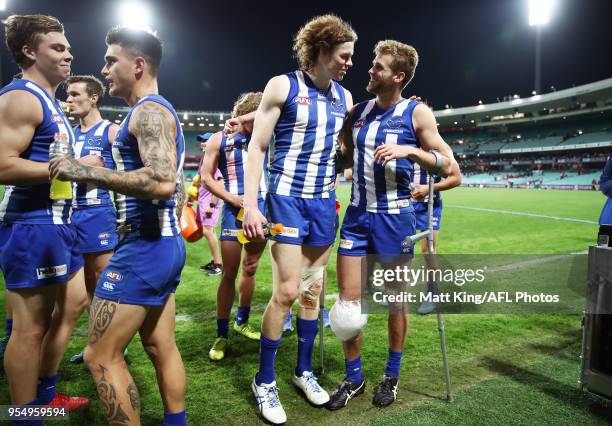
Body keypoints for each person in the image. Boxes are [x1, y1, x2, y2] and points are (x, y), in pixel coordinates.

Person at [50, 26, 187, 425]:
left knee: (100, 356)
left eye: (112, 60)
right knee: (161, 347)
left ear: (138, 64)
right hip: (163, 244)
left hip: (143, 249)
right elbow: (173, 186)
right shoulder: (151, 110)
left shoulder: (148, 110)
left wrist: (84, 173)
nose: (104, 68)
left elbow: (162, 183)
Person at [239, 14, 356, 424]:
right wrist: (250, 204)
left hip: (323, 204)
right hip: (286, 200)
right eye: (344, 55)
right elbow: (257, 148)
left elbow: (345, 148)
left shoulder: (344, 98)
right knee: (287, 291)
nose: (348, 63)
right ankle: (264, 380)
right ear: (322, 50)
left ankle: (303, 371)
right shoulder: (282, 86)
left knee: (312, 292)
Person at [326, 40, 455, 410]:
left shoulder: (417, 114)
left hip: (396, 220)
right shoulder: (358, 112)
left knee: (395, 304)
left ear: (398, 76)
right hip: (356, 217)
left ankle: (391, 376)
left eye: (378, 67)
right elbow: (345, 151)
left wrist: (411, 151)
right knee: (349, 306)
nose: (370, 70)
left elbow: (447, 165)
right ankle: (354, 378)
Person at [0, 14, 92, 412]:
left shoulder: (51, 103)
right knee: (29, 330)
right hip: (33, 225)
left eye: (68, 47)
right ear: (28, 51)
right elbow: (3, 164)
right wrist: (71, 167)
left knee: (72, 305)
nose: (68, 55)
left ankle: (45, 393)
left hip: (59, 225)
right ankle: (26, 417)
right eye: (57, 47)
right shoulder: (21, 97)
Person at [202, 92, 266, 361]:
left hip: (262, 209)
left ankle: (242, 321)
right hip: (233, 209)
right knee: (229, 271)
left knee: (250, 268)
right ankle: (222, 333)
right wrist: (233, 199)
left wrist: (247, 118)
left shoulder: (266, 135)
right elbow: (206, 177)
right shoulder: (220, 138)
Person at [64, 75, 121, 363]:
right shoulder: (68, 134)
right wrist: (83, 164)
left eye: (75, 94)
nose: (69, 100)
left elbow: (126, 176)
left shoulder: (111, 132)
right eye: (68, 95)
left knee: (102, 283)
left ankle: (109, 348)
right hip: (69, 215)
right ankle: (93, 346)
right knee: (83, 288)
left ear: (94, 97)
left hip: (98, 214)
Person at [412, 161, 461, 315]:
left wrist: (429, 189)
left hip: (430, 205)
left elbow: (456, 178)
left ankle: (432, 294)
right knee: (402, 248)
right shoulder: (405, 142)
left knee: (428, 251)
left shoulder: (437, 146)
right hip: (405, 204)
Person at [195, 132, 223, 276]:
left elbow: (220, 184)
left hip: (210, 203)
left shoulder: (214, 161)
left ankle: (218, 265)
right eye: (202, 140)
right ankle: (214, 261)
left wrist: (211, 206)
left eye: (206, 141)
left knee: (208, 231)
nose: (202, 143)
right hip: (203, 201)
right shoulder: (205, 160)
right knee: (209, 231)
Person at [598, 156, 612, 246]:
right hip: (608, 223)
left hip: (608, 222)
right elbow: (604, 184)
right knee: (602, 257)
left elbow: (604, 183)